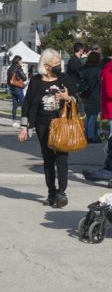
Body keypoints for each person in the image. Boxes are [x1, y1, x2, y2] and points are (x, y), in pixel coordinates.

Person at [18, 49, 78, 207]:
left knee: (62, 158)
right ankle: (51, 192)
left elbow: (77, 99)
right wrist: (24, 127)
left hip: (62, 123)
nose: (59, 66)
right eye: (55, 63)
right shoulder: (36, 81)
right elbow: (27, 104)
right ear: (45, 65)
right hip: (42, 124)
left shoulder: (64, 79)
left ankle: (62, 192)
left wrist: (67, 98)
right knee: (48, 159)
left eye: (60, 63)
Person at [76, 51, 104, 142]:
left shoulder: (85, 69)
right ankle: (91, 136)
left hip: (86, 95)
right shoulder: (98, 70)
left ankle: (87, 135)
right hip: (96, 95)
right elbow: (101, 82)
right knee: (93, 116)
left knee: (88, 116)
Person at [6, 54, 27, 126]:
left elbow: (8, 79)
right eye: (21, 60)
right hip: (18, 88)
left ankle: (14, 121)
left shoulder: (10, 68)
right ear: (18, 61)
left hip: (12, 88)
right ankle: (24, 122)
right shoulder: (19, 68)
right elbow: (24, 78)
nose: (21, 61)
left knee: (14, 106)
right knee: (24, 105)